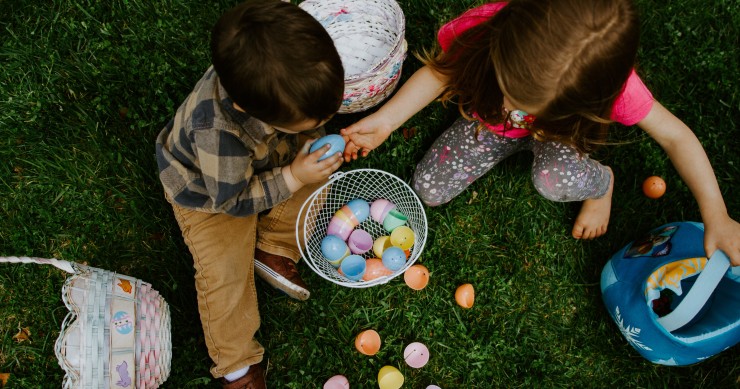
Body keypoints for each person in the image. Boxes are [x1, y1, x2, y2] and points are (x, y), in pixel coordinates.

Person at [341, 0, 740, 266]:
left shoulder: (615, 86)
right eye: (510, 88)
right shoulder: (488, 26)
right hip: (488, 127)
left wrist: (717, 215)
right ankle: (505, 143)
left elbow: (677, 137)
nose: (517, 110)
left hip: (560, 140)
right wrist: (387, 121)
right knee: (427, 188)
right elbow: (441, 72)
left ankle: (602, 185)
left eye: (534, 105)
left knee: (551, 180)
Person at [155, 1, 344, 387]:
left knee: (322, 172)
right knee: (223, 271)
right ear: (247, 108)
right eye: (313, 120)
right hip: (211, 196)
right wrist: (292, 175)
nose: (324, 124)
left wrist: (310, 150)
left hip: (269, 159)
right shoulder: (218, 133)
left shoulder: (271, 79)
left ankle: (272, 247)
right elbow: (232, 200)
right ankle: (236, 363)